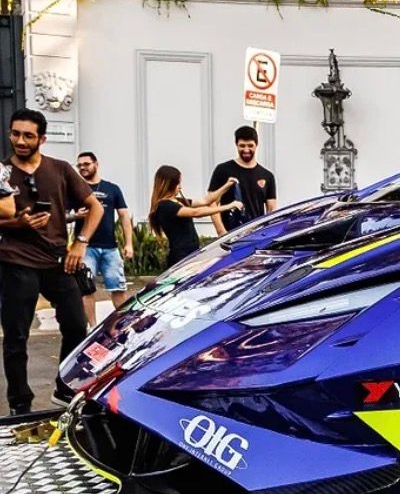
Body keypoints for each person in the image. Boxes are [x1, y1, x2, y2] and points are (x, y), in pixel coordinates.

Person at [0, 109, 101, 415]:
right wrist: (20, 224)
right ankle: (20, 405)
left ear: (42, 138)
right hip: (16, 262)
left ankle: (64, 390)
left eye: (28, 135)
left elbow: (94, 207)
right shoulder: (2, 171)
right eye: (15, 133)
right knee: (16, 336)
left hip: (59, 262)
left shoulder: (60, 169)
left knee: (75, 326)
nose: (20, 140)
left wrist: (80, 244)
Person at [72, 151, 134, 325]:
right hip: (85, 247)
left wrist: (129, 243)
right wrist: (75, 215)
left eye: (86, 164)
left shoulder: (112, 188)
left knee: (118, 288)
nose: (82, 168)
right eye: (79, 165)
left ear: (96, 164)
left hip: (110, 248)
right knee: (86, 289)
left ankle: (123, 326)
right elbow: (64, 213)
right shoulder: (76, 189)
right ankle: (92, 328)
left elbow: (123, 215)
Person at [148, 166, 242, 268]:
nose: (180, 187)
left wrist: (226, 186)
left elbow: (206, 201)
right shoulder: (165, 206)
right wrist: (229, 206)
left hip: (191, 253)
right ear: (170, 185)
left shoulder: (178, 201)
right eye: (178, 183)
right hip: (181, 256)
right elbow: (196, 212)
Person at [208, 126, 277, 236]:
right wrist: (221, 231)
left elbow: (271, 209)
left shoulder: (267, 176)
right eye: (242, 146)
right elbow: (212, 202)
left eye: (250, 146)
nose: (246, 150)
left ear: (256, 145)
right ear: (236, 145)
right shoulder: (223, 170)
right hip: (230, 235)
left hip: (257, 235)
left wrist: (268, 233)